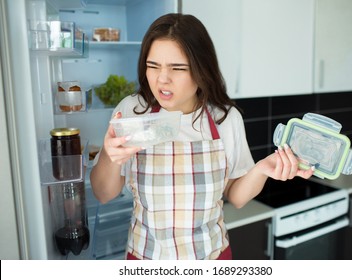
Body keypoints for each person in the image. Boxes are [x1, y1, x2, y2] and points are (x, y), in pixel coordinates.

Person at [90, 13, 314, 260]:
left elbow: (236, 197)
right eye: (153, 65)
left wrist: (262, 169)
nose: (162, 78)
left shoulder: (225, 119)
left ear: (201, 69)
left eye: (177, 68)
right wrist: (110, 156)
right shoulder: (132, 111)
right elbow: (104, 193)